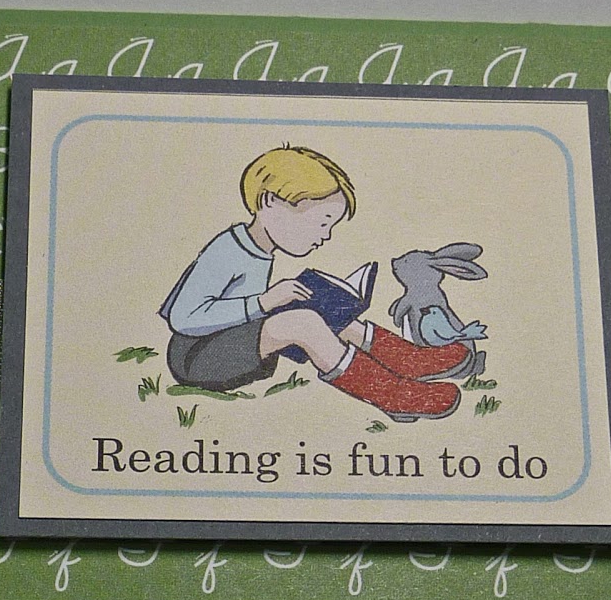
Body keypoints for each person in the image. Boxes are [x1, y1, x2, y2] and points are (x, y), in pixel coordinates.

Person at [157, 145, 473, 420]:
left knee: (318, 302)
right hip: (197, 357)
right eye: (321, 222)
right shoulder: (227, 250)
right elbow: (184, 318)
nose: (325, 235)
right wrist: (264, 302)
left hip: (228, 342)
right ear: (270, 202)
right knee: (303, 322)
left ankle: (407, 359)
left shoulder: (257, 248)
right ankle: (392, 395)